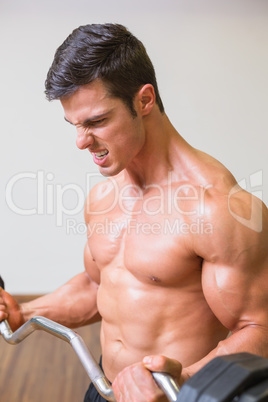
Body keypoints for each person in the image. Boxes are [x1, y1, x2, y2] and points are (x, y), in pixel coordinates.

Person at [0, 23, 268, 402]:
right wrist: (24, 313)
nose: (81, 142)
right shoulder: (103, 197)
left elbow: (258, 327)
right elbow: (100, 286)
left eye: (96, 121)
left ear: (144, 101)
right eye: (74, 125)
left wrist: (178, 379)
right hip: (102, 387)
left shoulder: (219, 209)